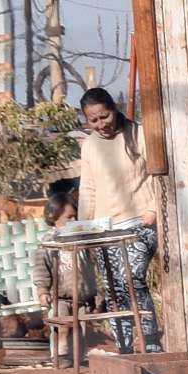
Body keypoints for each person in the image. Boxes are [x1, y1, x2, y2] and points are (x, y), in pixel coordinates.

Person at [69, 86, 160, 352]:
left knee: (132, 279)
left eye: (105, 116)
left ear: (114, 109)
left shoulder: (138, 134)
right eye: (94, 120)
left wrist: (153, 209)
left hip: (139, 223)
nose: (101, 124)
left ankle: (150, 341)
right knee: (113, 288)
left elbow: (158, 175)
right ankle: (124, 347)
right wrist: (84, 227)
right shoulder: (89, 146)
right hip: (105, 228)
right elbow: (88, 189)